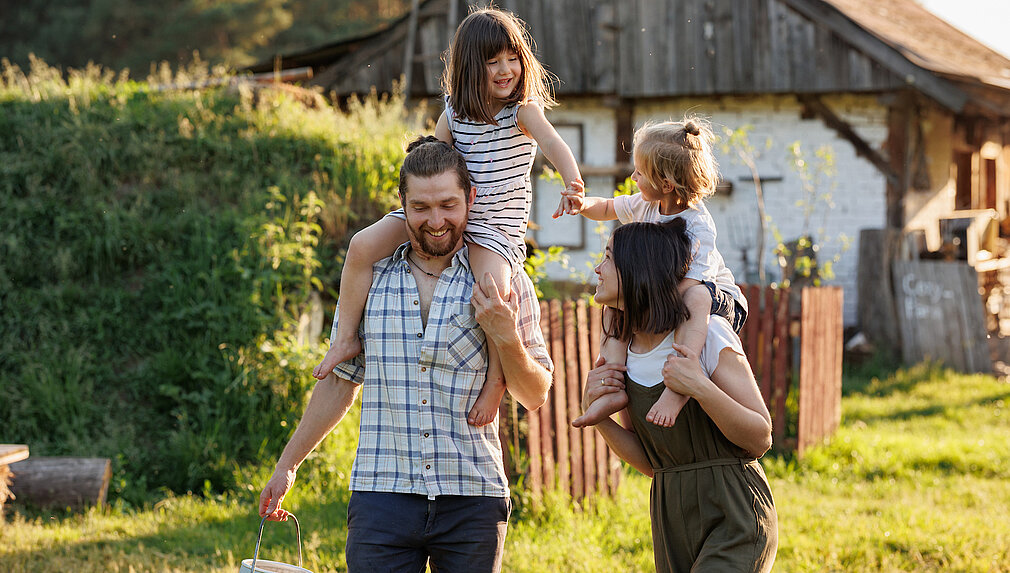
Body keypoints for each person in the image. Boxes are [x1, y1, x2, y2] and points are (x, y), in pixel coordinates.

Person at [261, 136, 554, 572]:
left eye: (448, 205)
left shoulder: (503, 280)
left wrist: (506, 336)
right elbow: (341, 380)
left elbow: (535, 394)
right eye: (420, 207)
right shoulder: (370, 277)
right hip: (382, 496)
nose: (436, 221)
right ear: (401, 204)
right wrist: (288, 465)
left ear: (471, 198)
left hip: (472, 496)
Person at [314, 7, 584, 428]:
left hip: (493, 230)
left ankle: (496, 379)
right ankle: (346, 338)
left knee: (493, 290)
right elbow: (431, 159)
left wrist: (573, 183)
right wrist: (415, 198)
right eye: (492, 61)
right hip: (447, 211)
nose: (505, 69)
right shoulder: (454, 113)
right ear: (470, 68)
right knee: (362, 245)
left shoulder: (522, 111)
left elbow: (554, 143)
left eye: (512, 58)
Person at [581, 219, 777, 572]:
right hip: (671, 520)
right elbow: (652, 464)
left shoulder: (708, 334)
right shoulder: (625, 353)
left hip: (734, 514)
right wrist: (600, 420)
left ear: (637, 268)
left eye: (608, 257)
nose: (598, 267)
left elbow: (760, 437)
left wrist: (698, 386)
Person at [572, 118, 746, 429]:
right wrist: (582, 203)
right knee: (615, 303)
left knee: (695, 299)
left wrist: (651, 307)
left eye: (639, 172)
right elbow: (607, 208)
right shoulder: (644, 204)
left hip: (718, 298)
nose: (633, 176)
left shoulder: (698, 226)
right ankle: (613, 379)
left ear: (666, 184)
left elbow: (692, 284)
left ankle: (679, 385)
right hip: (672, 291)